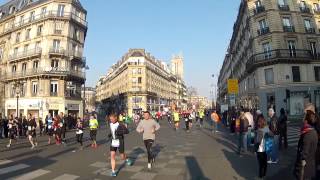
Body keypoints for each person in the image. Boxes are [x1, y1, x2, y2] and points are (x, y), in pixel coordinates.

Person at [294, 104, 318, 180]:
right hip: (310, 166)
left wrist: (299, 169)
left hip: (305, 170)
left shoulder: (308, 133)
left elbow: (304, 155)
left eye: (304, 114)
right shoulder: (309, 130)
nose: (302, 116)